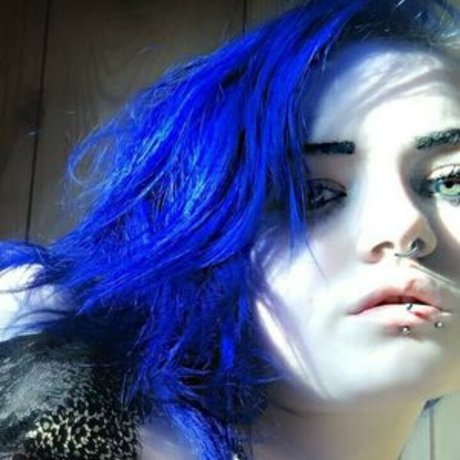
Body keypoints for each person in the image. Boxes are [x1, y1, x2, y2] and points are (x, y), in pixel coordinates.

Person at [0, 0, 460, 458]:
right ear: (204, 224)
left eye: (451, 182)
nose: (403, 227)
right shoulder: (45, 350)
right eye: (313, 194)